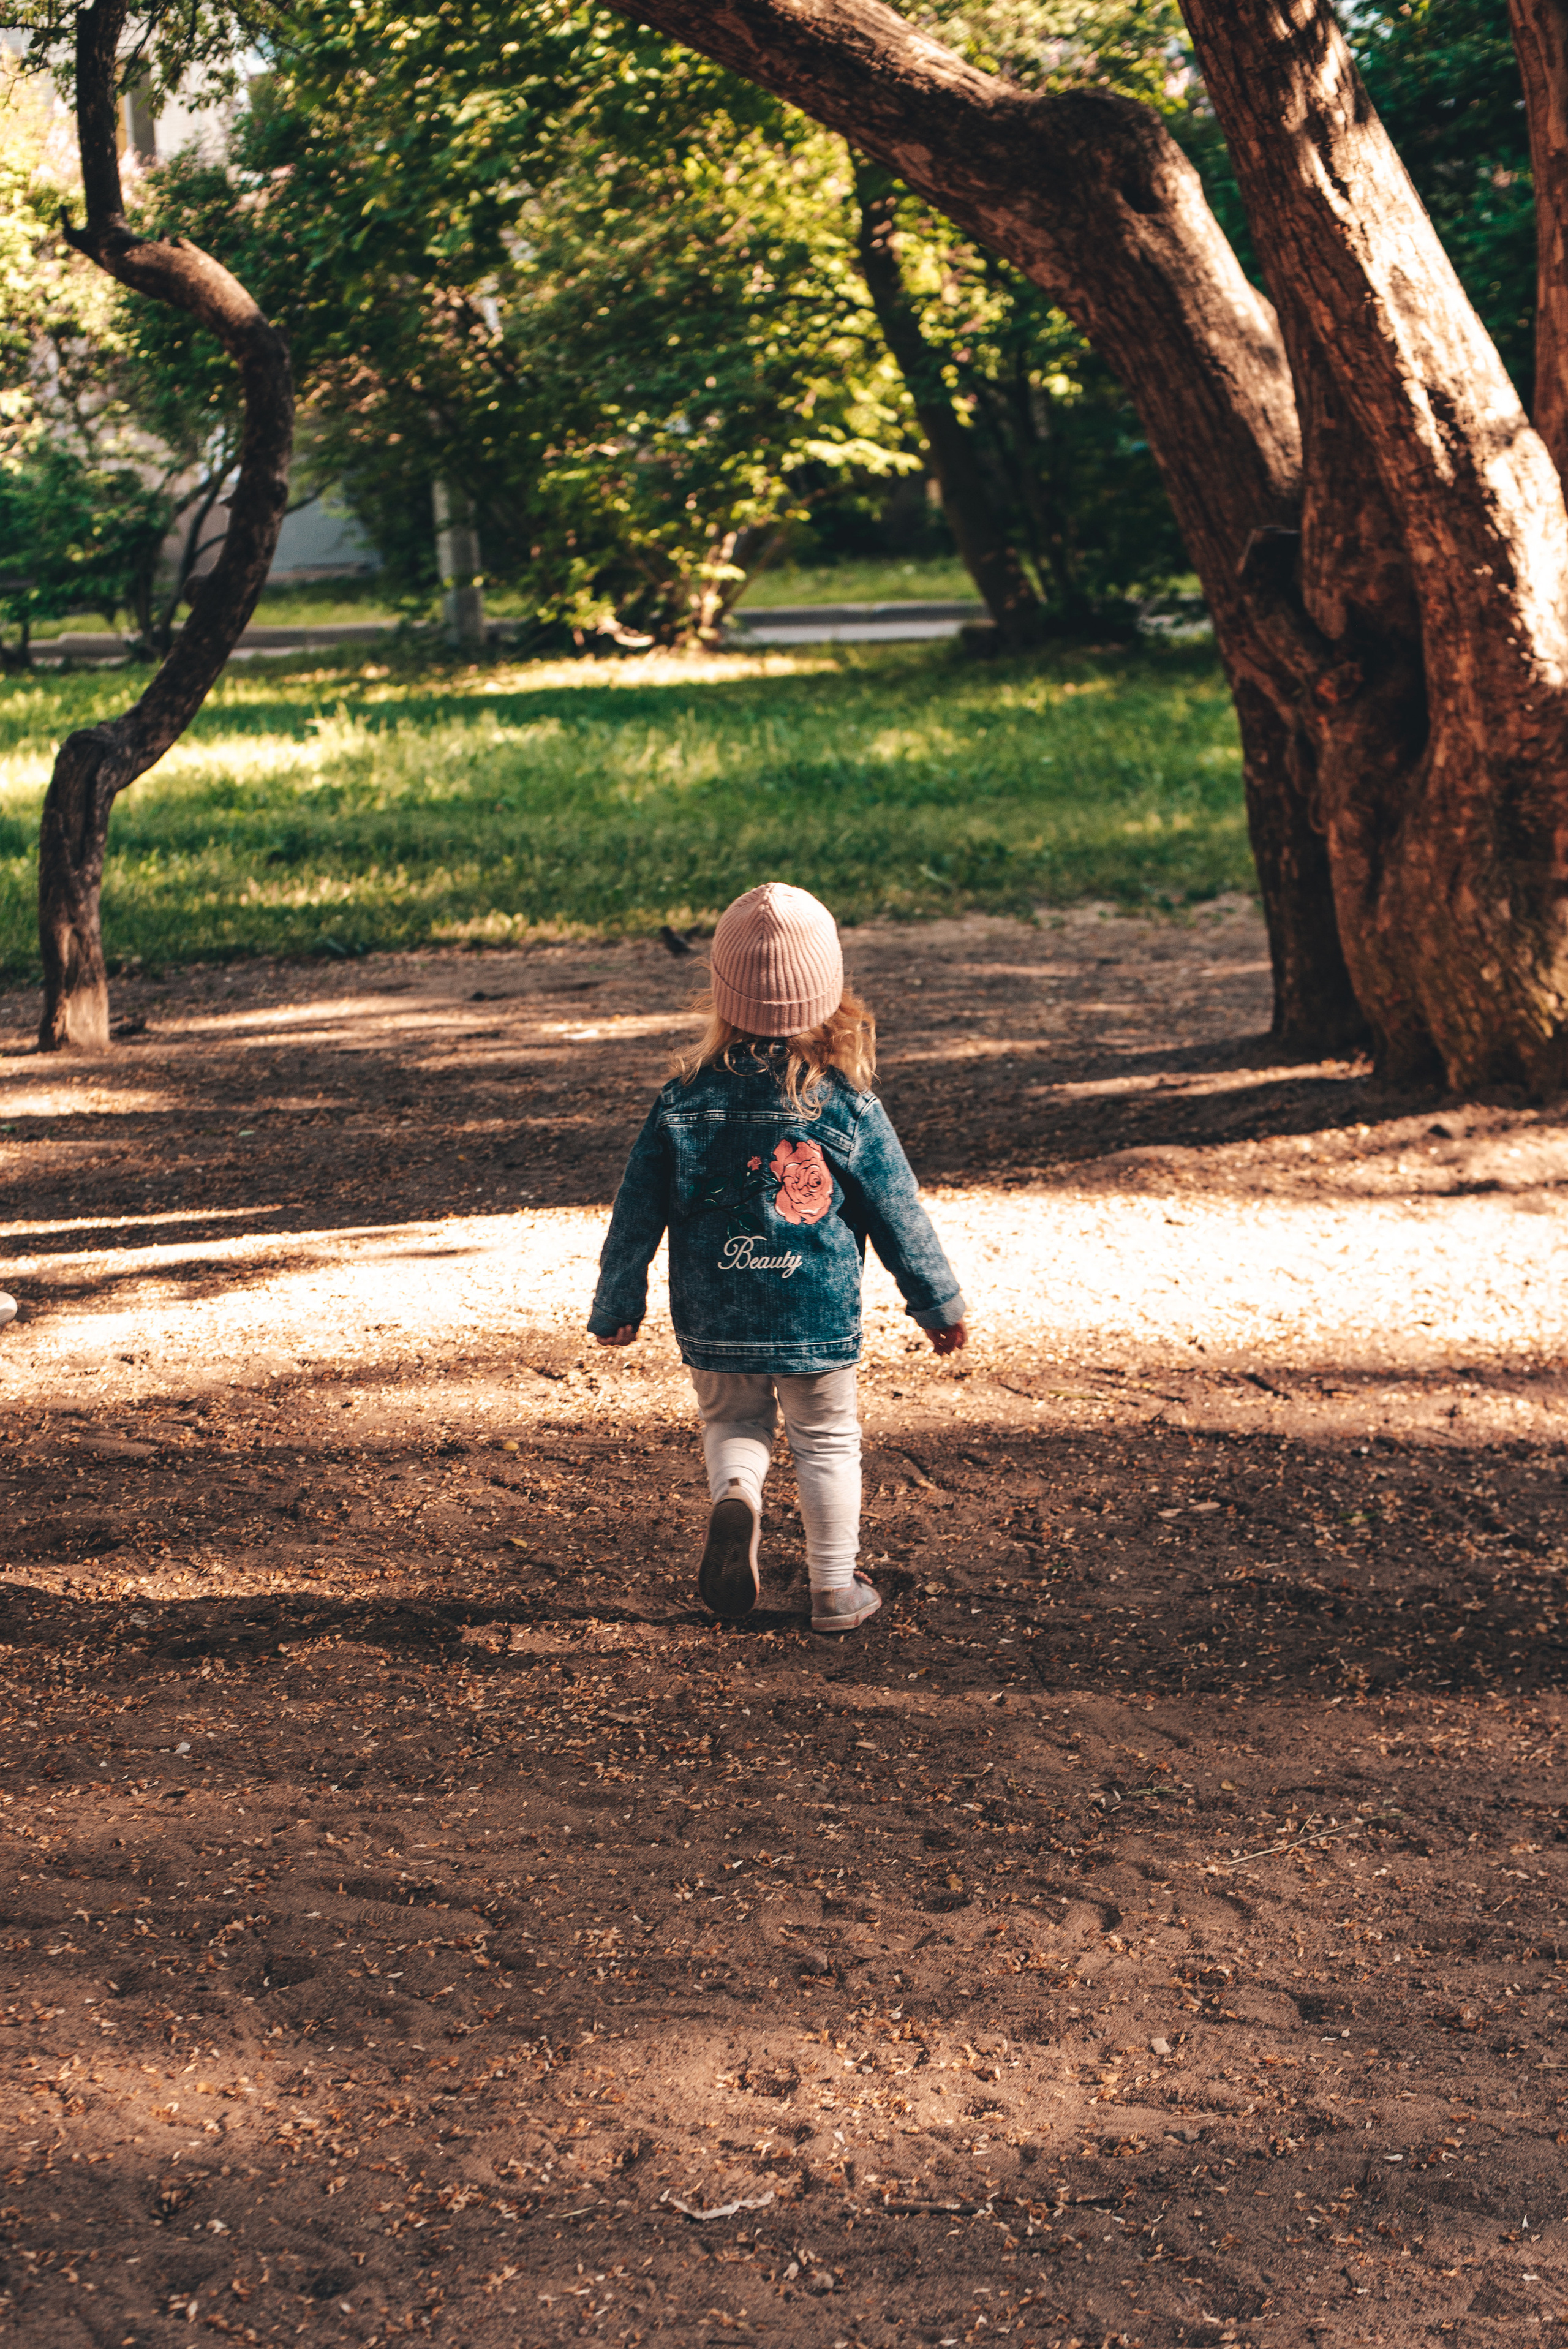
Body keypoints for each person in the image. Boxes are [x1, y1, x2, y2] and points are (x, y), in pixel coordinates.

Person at [588, 881, 967, 1634]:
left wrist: (616, 1304)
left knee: (733, 1421)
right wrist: (938, 1304)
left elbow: (636, 1211)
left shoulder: (682, 1102)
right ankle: (834, 1590)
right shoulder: (849, 1106)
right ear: (830, 994)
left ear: (722, 995)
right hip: (814, 1314)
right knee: (827, 1440)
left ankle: (738, 1493)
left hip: (715, 1313)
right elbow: (898, 1213)